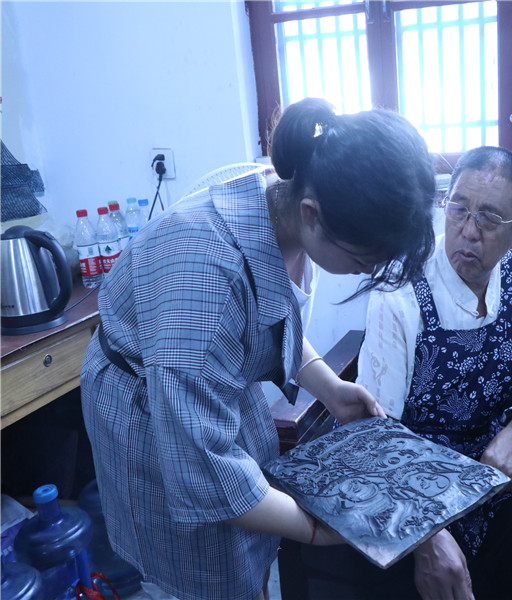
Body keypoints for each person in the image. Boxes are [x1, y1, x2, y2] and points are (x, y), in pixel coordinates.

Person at [80, 97, 436, 600]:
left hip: (202, 374)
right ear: (312, 214)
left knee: (246, 543)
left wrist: (330, 387)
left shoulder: (282, 198)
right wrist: (316, 529)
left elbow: (269, 317)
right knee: (201, 560)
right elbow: (203, 465)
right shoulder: (202, 274)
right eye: (363, 261)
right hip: (149, 402)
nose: (367, 273)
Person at [303, 146, 512, 600]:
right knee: (394, 571)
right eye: (458, 210)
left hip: (490, 468)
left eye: (489, 218)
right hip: (405, 473)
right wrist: (425, 535)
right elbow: (376, 435)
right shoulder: (401, 286)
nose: (468, 232)